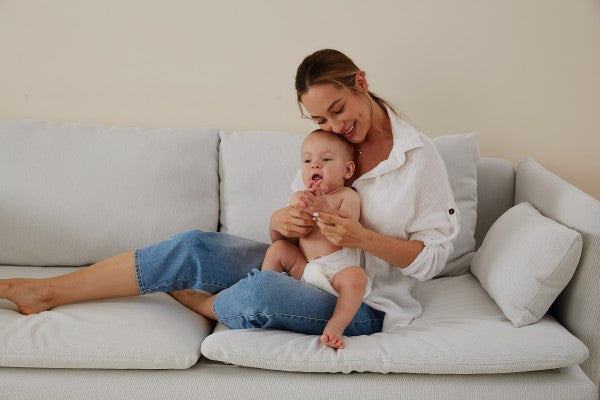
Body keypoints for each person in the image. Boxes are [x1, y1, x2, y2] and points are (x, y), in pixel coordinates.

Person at [0, 49, 459, 344]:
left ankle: (205, 304)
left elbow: (435, 257)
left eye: (338, 110)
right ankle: (47, 291)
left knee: (261, 291)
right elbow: (287, 231)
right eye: (321, 119)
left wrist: (363, 239)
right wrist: (282, 222)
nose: (335, 127)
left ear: (360, 82)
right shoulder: (327, 149)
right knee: (194, 246)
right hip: (305, 268)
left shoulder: (418, 158)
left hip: (362, 301)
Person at [261, 129, 371, 349]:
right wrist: (295, 215)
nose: (315, 165)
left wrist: (323, 209)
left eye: (326, 159)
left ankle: (336, 325)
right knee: (278, 249)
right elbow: (289, 236)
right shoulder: (298, 196)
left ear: (347, 170)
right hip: (305, 268)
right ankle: (264, 289)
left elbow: (345, 233)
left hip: (337, 273)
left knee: (356, 278)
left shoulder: (347, 196)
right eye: (307, 161)